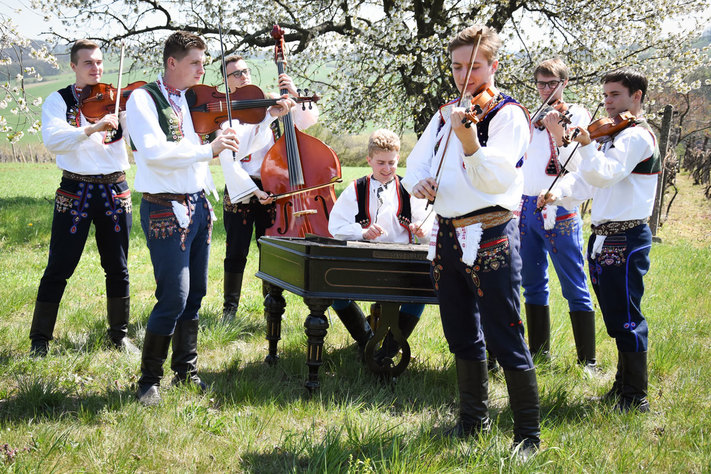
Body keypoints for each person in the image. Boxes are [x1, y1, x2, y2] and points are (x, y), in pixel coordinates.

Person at [126, 31, 294, 406]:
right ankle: (148, 381)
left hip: (199, 205)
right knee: (174, 295)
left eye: (204, 62)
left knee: (196, 294)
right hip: (163, 207)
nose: (204, 70)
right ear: (172, 63)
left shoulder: (192, 99)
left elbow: (240, 145)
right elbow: (152, 152)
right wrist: (207, 151)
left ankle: (186, 370)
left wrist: (268, 115)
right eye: (196, 63)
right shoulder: (142, 99)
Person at [403, 25, 540, 452]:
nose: (466, 76)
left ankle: (528, 436)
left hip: (492, 232)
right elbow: (415, 162)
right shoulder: (446, 112)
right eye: (458, 66)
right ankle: (471, 420)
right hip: (446, 232)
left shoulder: (508, 114)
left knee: (505, 331)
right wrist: (418, 183)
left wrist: (469, 143)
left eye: (475, 66)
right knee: (459, 329)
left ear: (493, 65)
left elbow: (496, 176)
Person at [538, 67, 659, 413]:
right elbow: (587, 183)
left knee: (626, 315)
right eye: (605, 95)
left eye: (615, 95)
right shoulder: (615, 135)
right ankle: (623, 388)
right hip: (606, 237)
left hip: (627, 235)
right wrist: (558, 194)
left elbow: (604, 175)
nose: (606, 102)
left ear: (636, 96)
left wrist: (587, 145)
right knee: (615, 313)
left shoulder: (637, 137)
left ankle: (636, 397)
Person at [30, 39, 135, 356]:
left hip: (114, 189)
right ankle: (40, 340)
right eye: (88, 62)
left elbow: (138, 141)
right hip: (75, 190)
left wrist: (132, 116)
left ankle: (119, 337)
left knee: (118, 267)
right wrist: (92, 128)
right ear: (73, 66)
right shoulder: (58, 100)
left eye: (99, 62)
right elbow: (53, 139)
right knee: (59, 266)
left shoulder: (117, 100)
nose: (96, 68)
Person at [219, 55, 319, 321]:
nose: (243, 77)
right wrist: (253, 192)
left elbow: (306, 122)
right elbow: (232, 157)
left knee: (271, 251)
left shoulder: (271, 99)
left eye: (245, 71)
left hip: (274, 187)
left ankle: (272, 306)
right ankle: (230, 310)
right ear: (226, 82)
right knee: (236, 250)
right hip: (242, 186)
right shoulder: (226, 112)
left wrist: (294, 96)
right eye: (236, 74)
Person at [327, 129, 432, 363]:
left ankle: (389, 350)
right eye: (380, 163)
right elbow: (335, 225)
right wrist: (362, 232)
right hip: (366, 259)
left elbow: (427, 225)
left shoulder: (409, 189)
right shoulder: (357, 188)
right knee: (333, 292)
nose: (386, 169)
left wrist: (422, 231)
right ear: (369, 161)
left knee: (421, 295)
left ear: (398, 159)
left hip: (401, 261)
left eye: (392, 163)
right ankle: (367, 341)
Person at [519, 58, 596, 367]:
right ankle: (540, 353)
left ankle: (587, 361)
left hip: (559, 207)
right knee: (532, 281)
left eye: (552, 83)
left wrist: (556, 135)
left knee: (573, 281)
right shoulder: (530, 117)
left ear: (564, 83)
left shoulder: (577, 113)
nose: (546, 89)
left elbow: (576, 165)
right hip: (526, 206)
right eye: (541, 83)